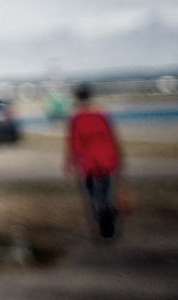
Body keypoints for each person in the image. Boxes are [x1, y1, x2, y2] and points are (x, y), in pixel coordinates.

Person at [65, 83, 123, 239]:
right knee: (104, 193)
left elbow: (74, 143)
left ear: (77, 97)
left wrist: (71, 163)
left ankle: (102, 221)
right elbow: (111, 138)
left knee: (92, 195)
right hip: (105, 159)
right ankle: (107, 221)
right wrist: (117, 157)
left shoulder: (76, 117)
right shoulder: (101, 113)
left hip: (88, 162)